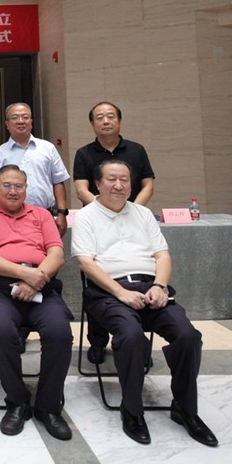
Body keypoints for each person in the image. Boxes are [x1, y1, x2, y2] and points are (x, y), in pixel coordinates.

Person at [71, 159, 217, 447]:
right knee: (131, 336)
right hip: (108, 292)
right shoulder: (86, 216)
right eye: (111, 179)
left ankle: (185, 408)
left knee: (188, 336)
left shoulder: (143, 214)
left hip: (150, 288)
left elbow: (162, 255)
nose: (118, 185)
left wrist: (160, 286)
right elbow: (86, 263)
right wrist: (120, 292)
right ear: (97, 184)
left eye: (124, 180)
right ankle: (132, 409)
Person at [0, 164, 73, 440]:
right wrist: (25, 275)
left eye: (19, 186)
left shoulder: (41, 214)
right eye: (7, 185)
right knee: (1, 331)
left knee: (60, 332)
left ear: (26, 189)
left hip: (42, 286)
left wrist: (34, 280)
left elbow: (56, 254)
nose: (13, 191)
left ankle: (48, 406)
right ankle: (17, 402)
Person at [73, 101, 155, 365]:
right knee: (97, 280)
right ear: (92, 123)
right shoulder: (84, 153)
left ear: (119, 120)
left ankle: (137, 342)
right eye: (99, 117)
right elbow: (81, 189)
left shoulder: (137, 150)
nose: (105, 121)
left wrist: (130, 211)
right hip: (97, 223)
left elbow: (148, 184)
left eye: (110, 116)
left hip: (132, 220)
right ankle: (98, 342)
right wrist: (105, 209)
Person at [0, 102, 70, 353]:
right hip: (8, 218)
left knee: (45, 264)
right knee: (15, 263)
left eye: (25, 117)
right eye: (15, 118)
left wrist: (61, 212)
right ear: (7, 124)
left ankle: (44, 318)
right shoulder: (0, 153)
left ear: (32, 121)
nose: (21, 121)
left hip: (43, 216)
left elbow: (58, 181)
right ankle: (18, 327)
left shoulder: (47, 148)